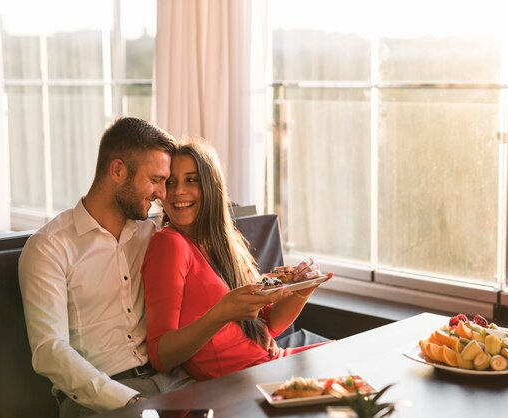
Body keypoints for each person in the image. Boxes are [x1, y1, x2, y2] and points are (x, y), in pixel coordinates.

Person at [18, 117, 194, 417]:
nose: (162, 194)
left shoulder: (152, 235)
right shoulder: (49, 247)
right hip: (97, 400)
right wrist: (130, 402)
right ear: (117, 170)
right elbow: (50, 351)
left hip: (174, 381)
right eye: (155, 181)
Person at [141, 140, 331, 381]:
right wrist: (222, 313)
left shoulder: (224, 242)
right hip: (247, 381)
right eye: (171, 182)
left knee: (353, 358)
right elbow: (161, 355)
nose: (178, 191)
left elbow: (265, 327)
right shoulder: (170, 244)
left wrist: (303, 290)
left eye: (191, 180)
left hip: (269, 365)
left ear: (212, 186)